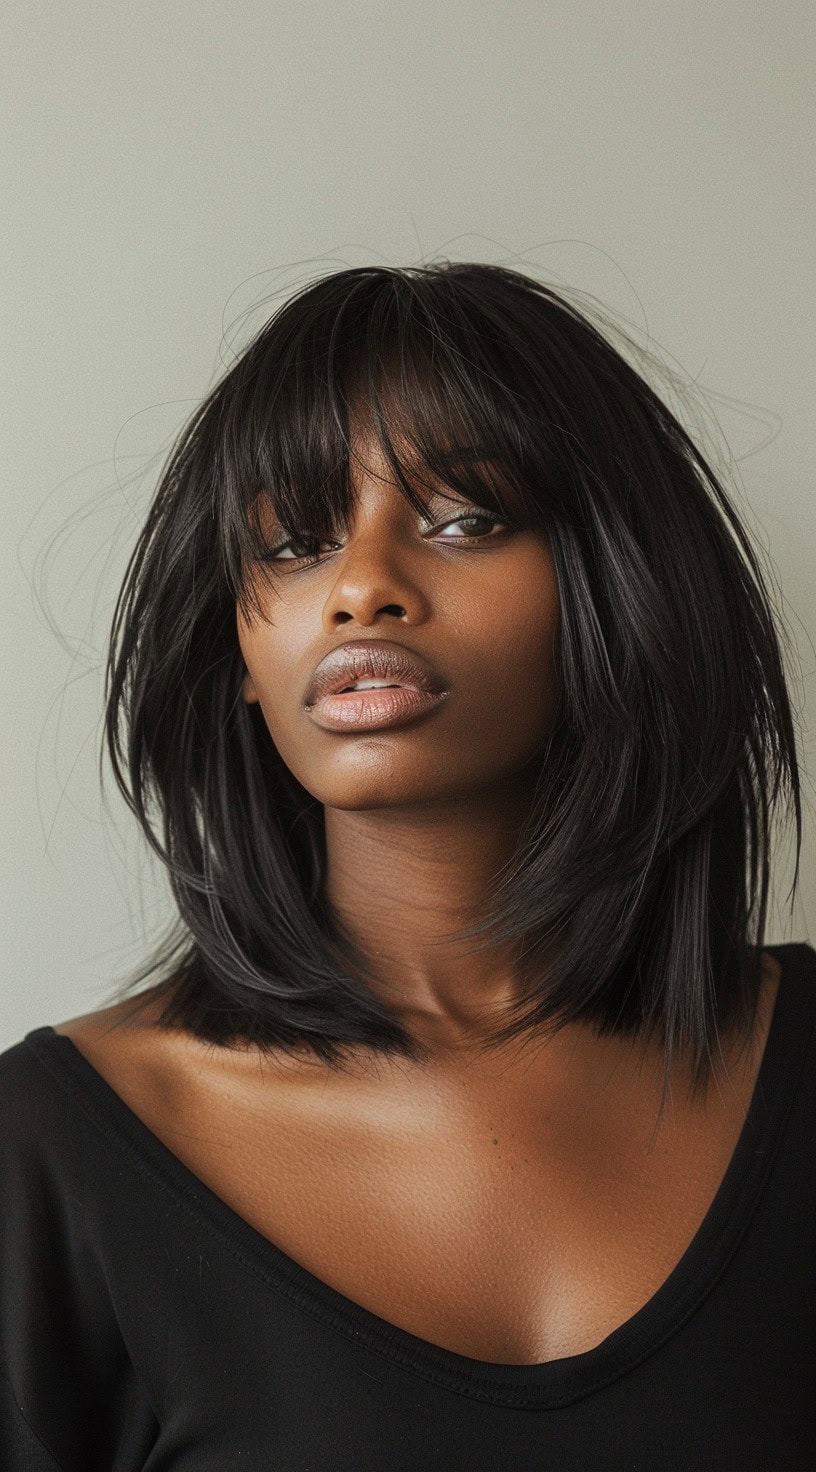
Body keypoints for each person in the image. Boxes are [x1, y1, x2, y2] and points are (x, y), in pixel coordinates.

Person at [1, 262, 813, 1469]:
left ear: (614, 583)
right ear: (235, 639)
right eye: (292, 542)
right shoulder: (47, 1157)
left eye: (464, 518)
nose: (361, 586)